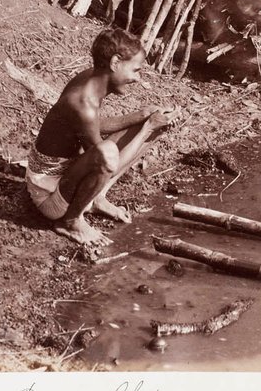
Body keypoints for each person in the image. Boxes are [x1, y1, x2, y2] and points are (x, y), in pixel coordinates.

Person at [27, 28, 178, 247]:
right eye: (135, 70)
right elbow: (108, 163)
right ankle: (71, 222)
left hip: (65, 176)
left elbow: (90, 128)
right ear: (116, 62)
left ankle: (97, 197)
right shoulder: (82, 103)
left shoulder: (91, 78)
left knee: (152, 126)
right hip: (48, 198)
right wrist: (146, 129)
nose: (137, 78)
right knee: (111, 150)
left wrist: (142, 117)